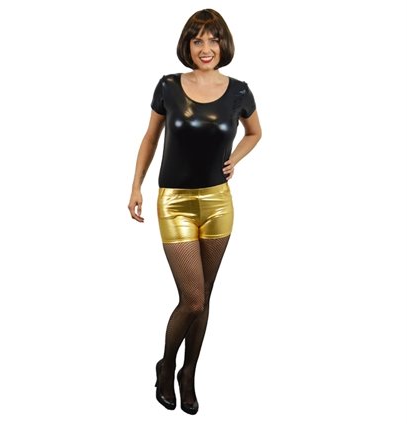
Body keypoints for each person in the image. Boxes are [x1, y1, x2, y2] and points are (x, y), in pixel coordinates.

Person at [128, 9, 262, 415]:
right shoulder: (168, 86)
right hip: (175, 203)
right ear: (187, 45)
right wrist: (135, 186)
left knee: (204, 297)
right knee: (193, 299)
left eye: (213, 40)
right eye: (198, 40)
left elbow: (255, 132)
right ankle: (166, 367)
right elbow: (150, 138)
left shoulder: (239, 92)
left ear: (224, 45)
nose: (206, 48)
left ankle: (189, 375)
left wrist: (235, 159)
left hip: (218, 203)